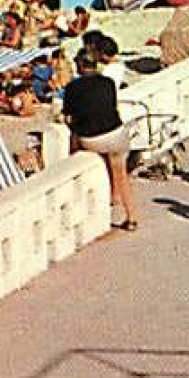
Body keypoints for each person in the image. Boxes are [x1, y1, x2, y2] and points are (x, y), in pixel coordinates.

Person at [62, 34, 138, 231]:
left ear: (79, 66)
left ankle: (106, 201)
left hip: (93, 139)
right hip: (116, 133)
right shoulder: (107, 83)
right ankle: (131, 216)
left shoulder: (72, 88)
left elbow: (69, 118)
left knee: (81, 140)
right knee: (121, 172)